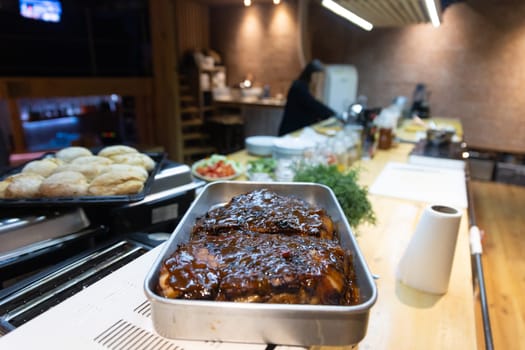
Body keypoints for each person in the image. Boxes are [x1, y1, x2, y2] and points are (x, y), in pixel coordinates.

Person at [278, 59, 336, 136]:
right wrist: (333, 114)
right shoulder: (298, 87)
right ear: (312, 75)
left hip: (296, 131)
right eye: (320, 77)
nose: (322, 80)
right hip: (291, 132)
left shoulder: (304, 86)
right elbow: (312, 104)